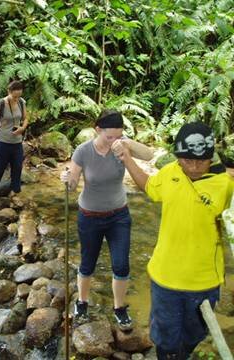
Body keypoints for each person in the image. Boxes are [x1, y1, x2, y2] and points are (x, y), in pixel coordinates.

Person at [112, 122, 233, 359]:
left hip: (205, 282)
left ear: (212, 158)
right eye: (187, 159)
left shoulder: (225, 185)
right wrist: (127, 159)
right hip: (165, 278)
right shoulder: (170, 173)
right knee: (164, 338)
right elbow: (148, 185)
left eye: (201, 160)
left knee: (193, 336)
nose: (194, 166)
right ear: (178, 157)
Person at [60, 109, 153, 330]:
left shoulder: (121, 145)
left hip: (119, 216)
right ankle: (82, 302)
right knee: (87, 263)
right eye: (109, 136)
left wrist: (126, 143)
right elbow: (72, 187)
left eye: (118, 136)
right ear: (97, 130)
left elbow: (149, 155)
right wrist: (66, 179)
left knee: (121, 265)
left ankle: (119, 308)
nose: (113, 141)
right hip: (89, 216)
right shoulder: (83, 151)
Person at [0, 80, 28, 199]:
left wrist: (22, 128)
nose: (16, 98)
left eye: (19, 96)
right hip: (2, 142)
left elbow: (25, 119)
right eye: (14, 96)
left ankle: (14, 192)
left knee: (17, 168)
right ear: (8, 92)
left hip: (17, 143)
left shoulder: (21, 102)